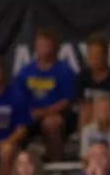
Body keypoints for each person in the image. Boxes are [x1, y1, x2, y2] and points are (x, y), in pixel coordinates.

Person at [14, 28, 77, 162]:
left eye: (46, 45)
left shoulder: (64, 70)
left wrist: (44, 112)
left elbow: (66, 102)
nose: (43, 49)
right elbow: (18, 99)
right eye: (40, 45)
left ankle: (56, 166)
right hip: (31, 117)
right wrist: (28, 113)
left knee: (51, 123)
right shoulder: (25, 72)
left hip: (58, 116)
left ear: (55, 47)